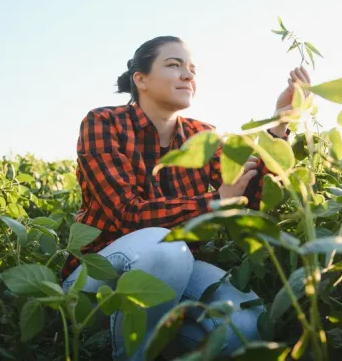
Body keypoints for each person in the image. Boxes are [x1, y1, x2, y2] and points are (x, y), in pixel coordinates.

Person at [60, 35, 311, 360]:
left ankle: (159, 334)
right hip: (97, 280)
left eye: (191, 69)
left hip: (178, 272)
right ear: (141, 79)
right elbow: (126, 214)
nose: (188, 75)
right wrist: (215, 202)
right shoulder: (103, 122)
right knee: (166, 249)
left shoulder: (202, 135)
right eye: (174, 65)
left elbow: (252, 198)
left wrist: (281, 123)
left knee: (248, 324)